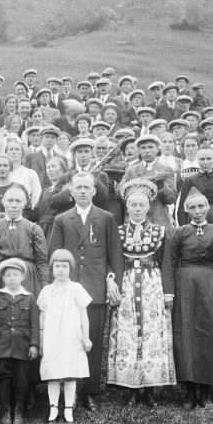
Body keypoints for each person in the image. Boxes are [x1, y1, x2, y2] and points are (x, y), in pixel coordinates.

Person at [49, 172, 123, 410]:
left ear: (94, 191)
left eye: (86, 187)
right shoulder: (62, 219)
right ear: (71, 191)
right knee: (68, 339)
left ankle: (89, 391)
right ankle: (67, 387)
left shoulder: (106, 218)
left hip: (95, 288)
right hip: (68, 289)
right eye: (78, 187)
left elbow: (115, 256)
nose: (82, 191)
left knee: (91, 341)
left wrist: (112, 280)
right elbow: (55, 256)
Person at [107, 179, 176, 406]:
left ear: (148, 207)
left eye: (141, 205)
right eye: (133, 205)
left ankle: (150, 388)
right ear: (128, 207)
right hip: (127, 282)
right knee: (128, 332)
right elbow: (113, 261)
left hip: (151, 284)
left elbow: (166, 263)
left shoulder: (159, 232)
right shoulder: (118, 232)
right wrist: (113, 283)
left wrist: (168, 292)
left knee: (151, 332)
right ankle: (131, 388)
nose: (137, 209)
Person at [0, 186, 49, 391]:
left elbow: (42, 260)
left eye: (18, 201)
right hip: (0, 277)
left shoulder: (34, 228)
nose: (14, 205)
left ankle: (28, 385)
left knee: (26, 324)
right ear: (3, 203)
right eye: (10, 201)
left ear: (25, 204)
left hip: (27, 277)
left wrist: (45, 287)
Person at [168, 193, 213, 409]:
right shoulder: (179, 232)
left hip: (211, 284)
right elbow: (172, 262)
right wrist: (171, 290)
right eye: (193, 207)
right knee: (186, 333)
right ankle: (188, 391)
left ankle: (205, 391)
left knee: (209, 333)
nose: (197, 211)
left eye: (201, 206)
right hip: (185, 284)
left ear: (207, 208)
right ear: (186, 210)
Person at [0, 258, 40, 424]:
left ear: (22, 277)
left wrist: (34, 344)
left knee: (22, 379)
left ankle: (19, 409)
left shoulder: (29, 298)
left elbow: (35, 324)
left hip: (22, 347)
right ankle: (6, 409)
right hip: (2, 345)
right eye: (8, 275)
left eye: (15, 275)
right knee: (4, 377)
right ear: (3, 278)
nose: (12, 278)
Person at [38, 249, 92, 423]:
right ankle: (53, 407)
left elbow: (84, 316)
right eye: (57, 266)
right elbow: (42, 317)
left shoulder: (76, 289)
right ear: (52, 268)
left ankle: (68, 408)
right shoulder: (46, 290)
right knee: (53, 371)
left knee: (70, 371)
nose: (60, 269)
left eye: (64, 266)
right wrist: (40, 339)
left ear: (70, 269)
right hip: (52, 337)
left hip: (71, 336)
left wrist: (86, 337)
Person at [121, 134, 176, 229]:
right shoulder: (131, 171)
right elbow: (122, 196)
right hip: (136, 223)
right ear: (139, 151)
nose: (147, 151)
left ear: (157, 149)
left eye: (150, 147)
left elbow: (171, 199)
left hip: (159, 222)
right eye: (143, 148)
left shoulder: (166, 169)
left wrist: (161, 185)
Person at [35, 156, 68, 241]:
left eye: (53, 166)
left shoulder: (66, 189)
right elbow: (36, 212)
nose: (49, 170)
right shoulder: (45, 191)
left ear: (62, 170)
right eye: (48, 167)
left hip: (57, 228)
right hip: (42, 229)